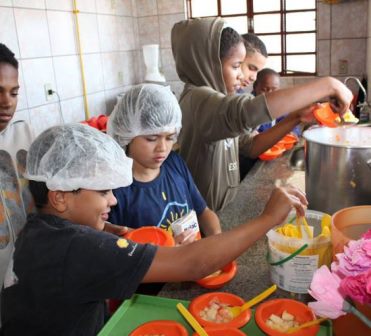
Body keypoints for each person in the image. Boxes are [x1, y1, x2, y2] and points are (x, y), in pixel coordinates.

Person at [1, 123, 308, 335]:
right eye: (103, 191)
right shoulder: (79, 248)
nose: (113, 199)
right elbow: (193, 263)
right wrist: (266, 219)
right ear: (59, 197)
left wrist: (105, 228)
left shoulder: (41, 229)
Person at [171, 17, 352, 212]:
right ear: (208, 63)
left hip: (224, 210)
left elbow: (250, 146)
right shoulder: (198, 100)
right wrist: (327, 85)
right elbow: (246, 112)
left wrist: (296, 117)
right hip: (205, 221)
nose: (241, 75)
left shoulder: (216, 103)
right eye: (235, 66)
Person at [107, 84, 221, 246]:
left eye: (169, 138)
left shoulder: (174, 163)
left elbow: (204, 212)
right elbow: (119, 250)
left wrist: (216, 241)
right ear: (126, 134)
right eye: (152, 138)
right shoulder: (117, 191)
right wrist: (169, 250)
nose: (163, 148)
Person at [0, 43, 35, 325]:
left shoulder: (23, 134)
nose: (7, 102)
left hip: (31, 277)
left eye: (13, 92)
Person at [254, 68, 301, 136]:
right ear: (255, 87)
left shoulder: (279, 104)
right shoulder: (248, 105)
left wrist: (293, 133)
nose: (270, 94)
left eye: (274, 89)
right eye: (264, 90)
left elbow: (289, 122)